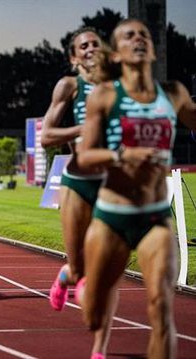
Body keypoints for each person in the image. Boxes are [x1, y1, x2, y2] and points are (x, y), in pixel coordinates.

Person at [77, 19, 196, 359]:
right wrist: (121, 155)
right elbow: (84, 156)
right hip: (111, 217)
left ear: (154, 48)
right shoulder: (105, 95)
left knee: (161, 307)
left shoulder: (174, 94)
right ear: (117, 52)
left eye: (145, 34)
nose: (140, 38)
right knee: (94, 314)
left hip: (155, 217)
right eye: (130, 35)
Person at [41, 27, 116, 359]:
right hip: (78, 184)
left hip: (113, 186)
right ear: (74, 57)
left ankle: (99, 350)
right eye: (82, 46)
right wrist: (82, 129)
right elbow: (47, 136)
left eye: (95, 44)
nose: (89, 49)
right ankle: (64, 276)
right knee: (79, 268)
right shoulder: (70, 86)